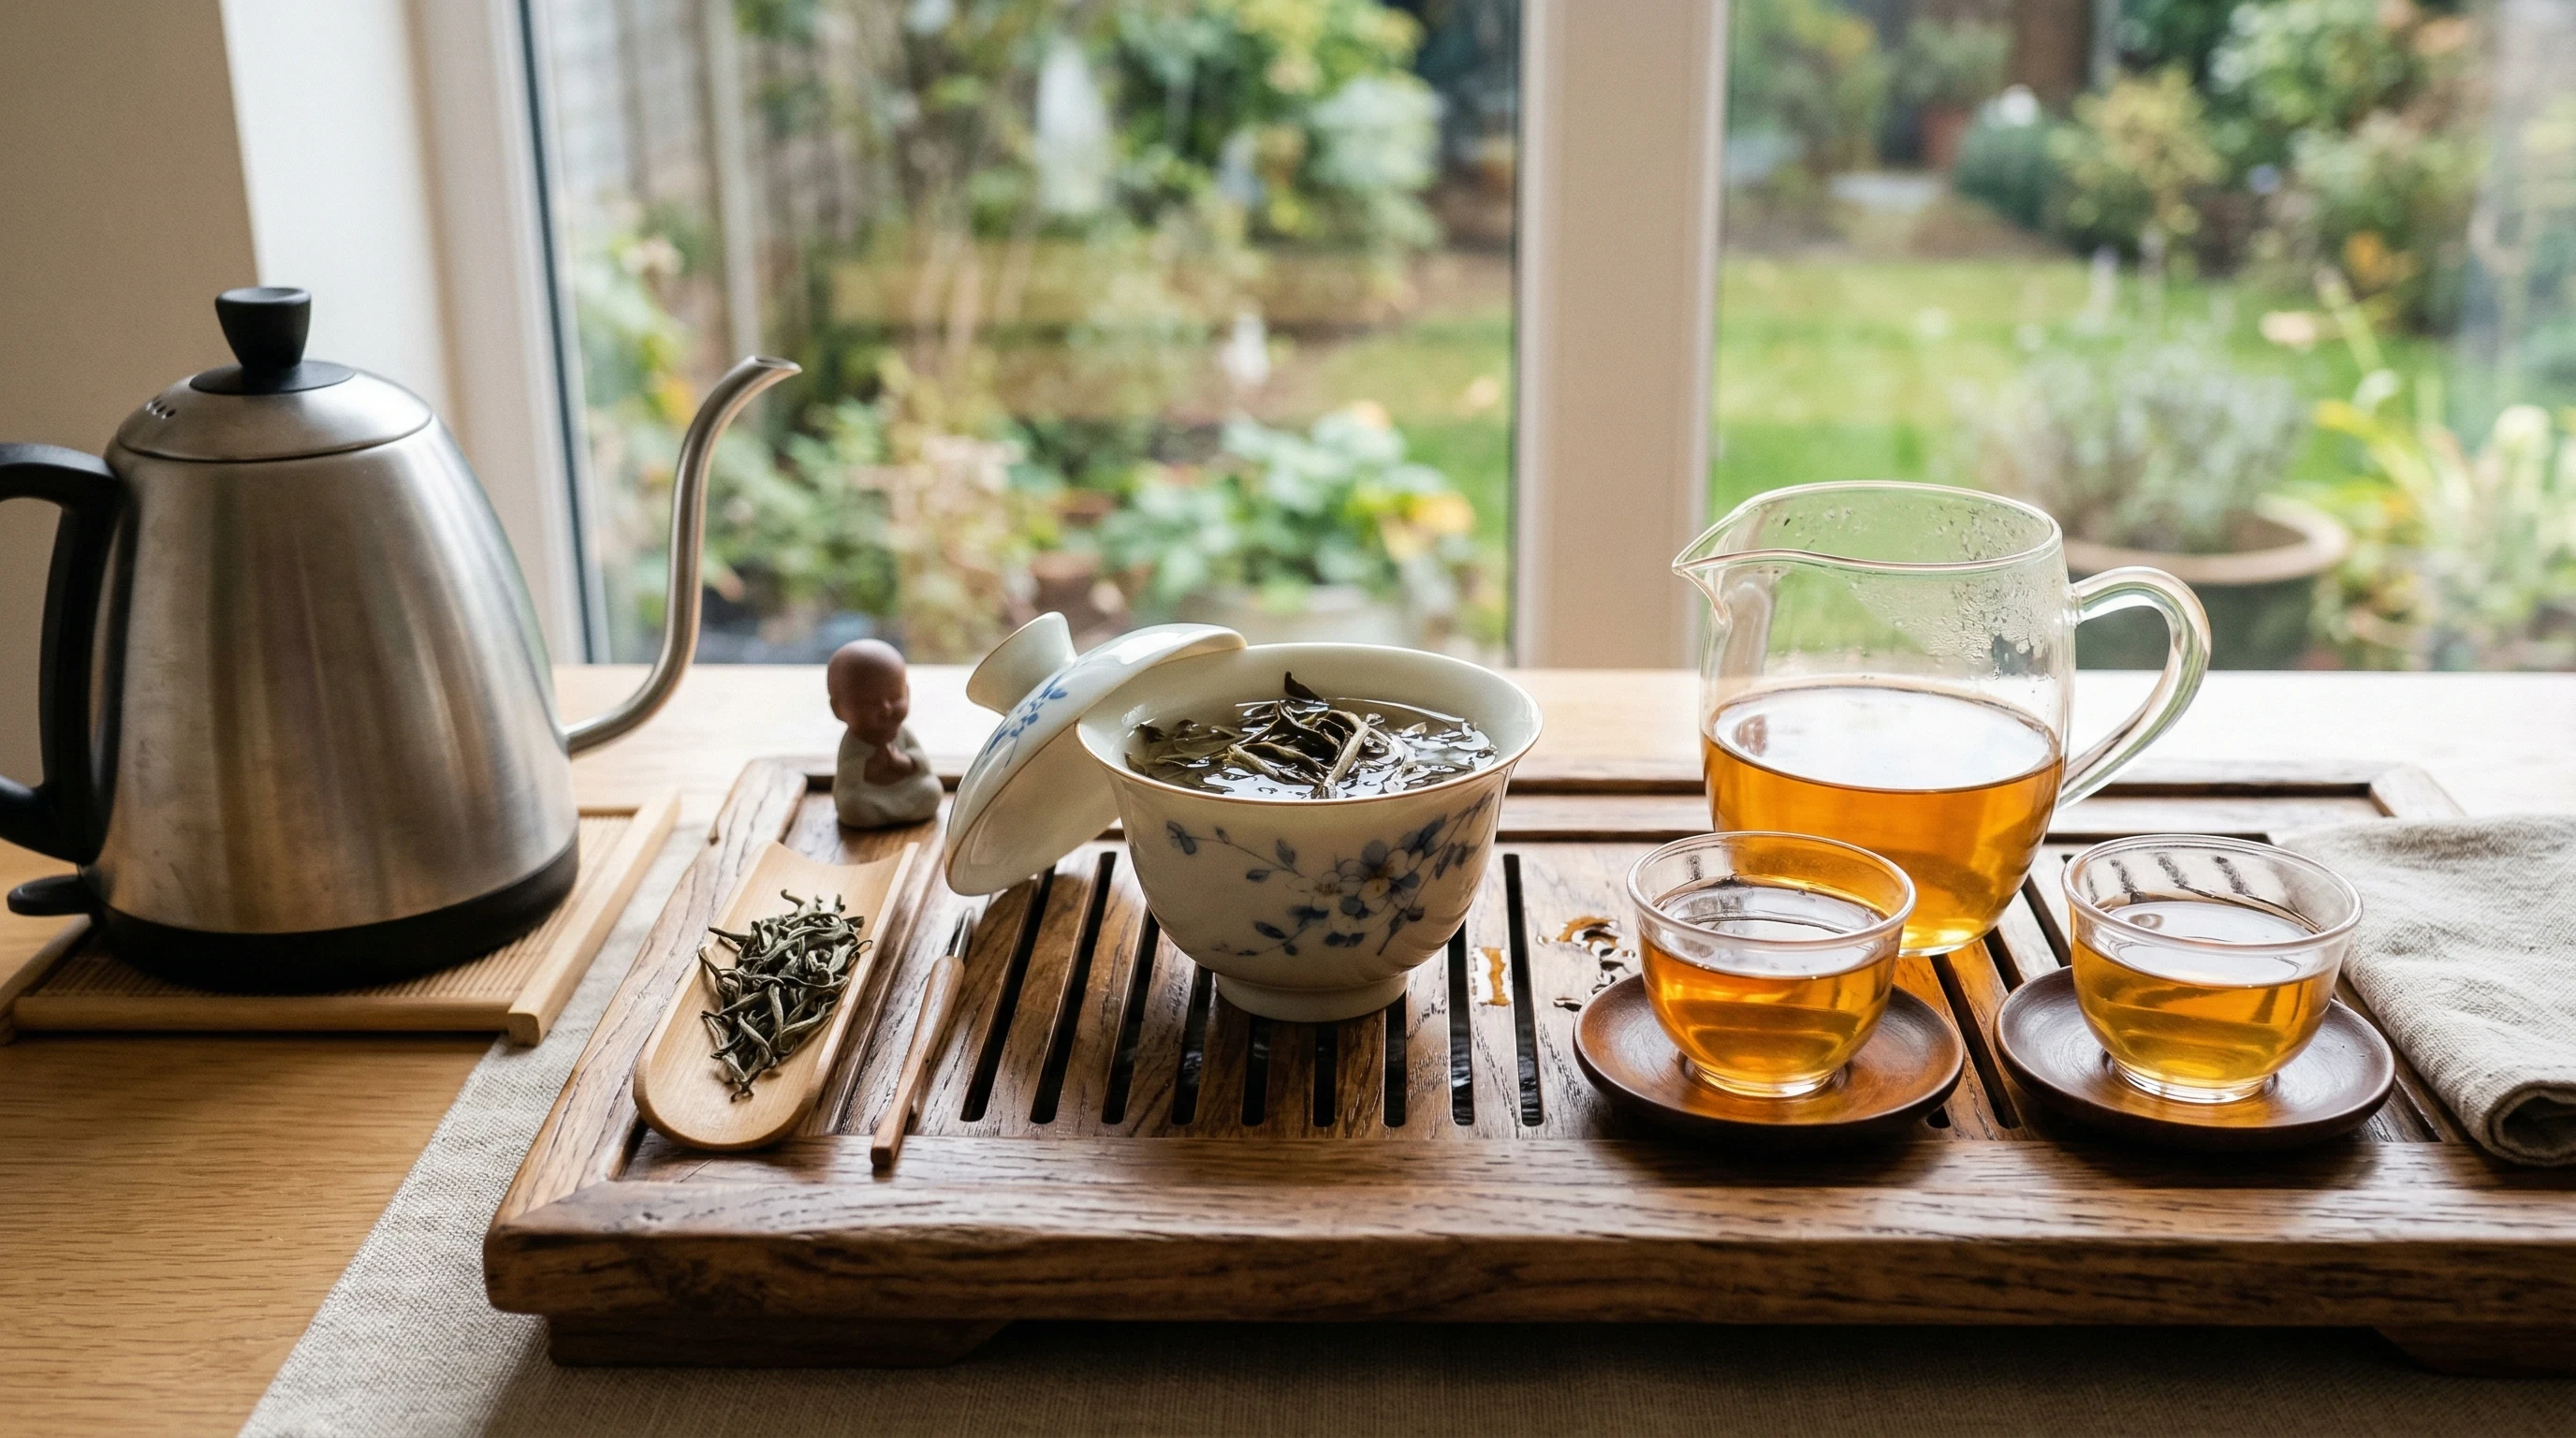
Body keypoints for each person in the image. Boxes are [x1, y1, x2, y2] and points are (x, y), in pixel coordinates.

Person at [827, 639, 942, 829]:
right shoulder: (854, 741)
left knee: (930, 791)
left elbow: (921, 763)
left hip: (906, 789)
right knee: (852, 806)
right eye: (869, 704)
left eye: (895, 698)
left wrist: (904, 762)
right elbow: (847, 777)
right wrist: (870, 767)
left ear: (908, 694)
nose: (886, 709)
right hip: (870, 795)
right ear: (838, 709)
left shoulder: (902, 733)